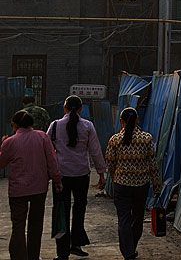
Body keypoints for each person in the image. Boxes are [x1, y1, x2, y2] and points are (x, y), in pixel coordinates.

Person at [48, 95, 108, 260]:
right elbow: (95, 151)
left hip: (61, 176)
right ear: (81, 109)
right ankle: (76, 244)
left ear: (64, 108)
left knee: (61, 211)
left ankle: (62, 252)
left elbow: (47, 151)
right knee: (79, 209)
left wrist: (48, 173)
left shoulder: (54, 126)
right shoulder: (88, 126)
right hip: (82, 174)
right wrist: (101, 174)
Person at [0, 110, 62, 260]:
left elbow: (1, 163)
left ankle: (19, 256)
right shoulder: (42, 137)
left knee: (18, 225)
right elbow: (52, 161)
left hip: (17, 190)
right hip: (39, 188)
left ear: (14, 125)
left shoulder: (10, 142)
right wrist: (57, 179)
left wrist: (3, 144)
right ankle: (33, 256)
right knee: (35, 224)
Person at [106, 108, 162, 260]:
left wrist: (114, 177)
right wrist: (157, 185)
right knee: (137, 218)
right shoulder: (146, 138)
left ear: (121, 121)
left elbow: (110, 163)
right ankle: (131, 247)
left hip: (121, 185)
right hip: (141, 186)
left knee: (123, 219)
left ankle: (128, 251)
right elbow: (152, 164)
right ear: (137, 120)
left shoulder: (115, 140)